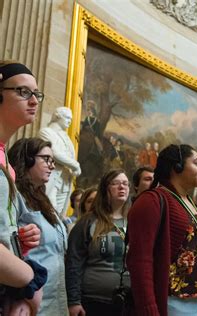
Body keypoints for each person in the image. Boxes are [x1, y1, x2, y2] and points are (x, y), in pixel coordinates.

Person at [127, 144, 197, 316]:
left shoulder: (193, 203)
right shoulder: (152, 200)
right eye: (196, 163)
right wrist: (149, 309)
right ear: (178, 166)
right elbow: (140, 261)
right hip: (175, 301)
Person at [0, 61, 46, 315]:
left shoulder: (6, 161)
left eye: (36, 94)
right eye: (23, 92)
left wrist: (19, 237)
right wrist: (31, 280)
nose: (34, 101)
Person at [9, 137, 69, 316]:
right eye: (47, 159)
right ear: (27, 159)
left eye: (53, 161)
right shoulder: (13, 195)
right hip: (30, 301)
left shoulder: (44, 200)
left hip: (56, 298)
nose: (52, 166)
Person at [66, 169, 130, 316]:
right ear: (105, 188)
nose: (122, 187)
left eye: (125, 184)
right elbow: (74, 263)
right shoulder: (88, 221)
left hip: (128, 303)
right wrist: (73, 301)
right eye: (116, 183)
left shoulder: (135, 220)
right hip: (93, 301)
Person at [39, 106, 82, 216]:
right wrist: (75, 165)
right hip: (52, 178)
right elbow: (54, 152)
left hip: (65, 181)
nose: (69, 121)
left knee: (59, 216)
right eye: (67, 118)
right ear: (57, 116)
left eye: (71, 119)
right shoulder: (46, 132)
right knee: (49, 212)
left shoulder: (66, 138)